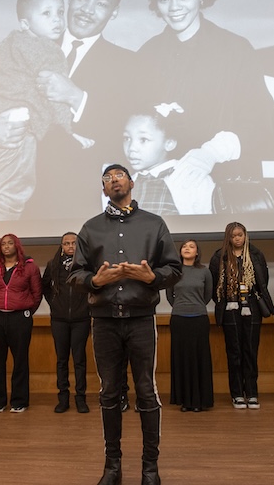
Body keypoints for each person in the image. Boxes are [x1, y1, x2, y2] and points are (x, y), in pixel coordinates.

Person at [0, 0, 135, 219]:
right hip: (2, 208)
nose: (87, 9)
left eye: (101, 3)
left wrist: (76, 98)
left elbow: (122, 138)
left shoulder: (129, 66)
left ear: (114, 11)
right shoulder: (23, 41)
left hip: (68, 214)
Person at [68, 163, 182, 485]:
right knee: (108, 393)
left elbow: (174, 269)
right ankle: (112, 467)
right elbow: (75, 275)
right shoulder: (90, 228)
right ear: (103, 189)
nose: (114, 180)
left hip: (141, 320)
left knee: (146, 391)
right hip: (103, 322)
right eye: (107, 178)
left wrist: (152, 277)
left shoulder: (154, 223)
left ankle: (150, 468)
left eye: (119, 176)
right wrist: (94, 280)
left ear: (132, 183)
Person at [136, 0, 274, 186]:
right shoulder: (146, 55)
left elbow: (260, 122)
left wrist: (211, 153)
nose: (174, 7)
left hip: (222, 183)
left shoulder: (236, 50)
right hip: (159, 186)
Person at [122, 104, 239, 215]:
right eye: (127, 138)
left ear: (169, 143)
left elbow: (206, 221)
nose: (131, 148)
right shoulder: (124, 183)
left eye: (143, 139)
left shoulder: (191, 176)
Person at [209, 222, 274, 409]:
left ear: (245, 235)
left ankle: (252, 393)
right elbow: (214, 287)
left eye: (240, 234)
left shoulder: (256, 254)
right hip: (230, 307)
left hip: (252, 306)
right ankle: (237, 393)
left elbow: (263, 280)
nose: (237, 238)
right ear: (228, 238)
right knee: (234, 352)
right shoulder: (219, 257)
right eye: (233, 236)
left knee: (250, 351)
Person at [0, 234, 43, 413]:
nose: (6, 246)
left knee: (20, 361)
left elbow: (37, 294)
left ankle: (19, 401)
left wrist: (25, 311)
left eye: (10, 243)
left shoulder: (30, 267)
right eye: (3, 244)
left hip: (20, 318)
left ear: (17, 246)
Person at [42, 232, 91, 414]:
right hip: (59, 319)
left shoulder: (87, 265)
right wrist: (54, 303)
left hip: (81, 319)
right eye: (66, 243)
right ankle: (63, 397)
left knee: (79, 360)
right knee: (62, 360)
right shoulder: (53, 264)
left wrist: (87, 305)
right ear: (61, 246)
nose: (70, 246)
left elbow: (94, 286)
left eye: (74, 243)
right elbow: (45, 286)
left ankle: (81, 398)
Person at [167, 239, 213, 412]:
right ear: (180, 252)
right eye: (184, 246)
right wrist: (182, 306)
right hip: (179, 319)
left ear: (197, 252)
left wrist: (195, 305)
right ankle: (185, 400)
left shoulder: (204, 272)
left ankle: (200, 400)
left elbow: (207, 295)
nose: (187, 248)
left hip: (199, 319)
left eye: (191, 246)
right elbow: (170, 297)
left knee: (199, 359)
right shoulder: (174, 272)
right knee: (182, 359)